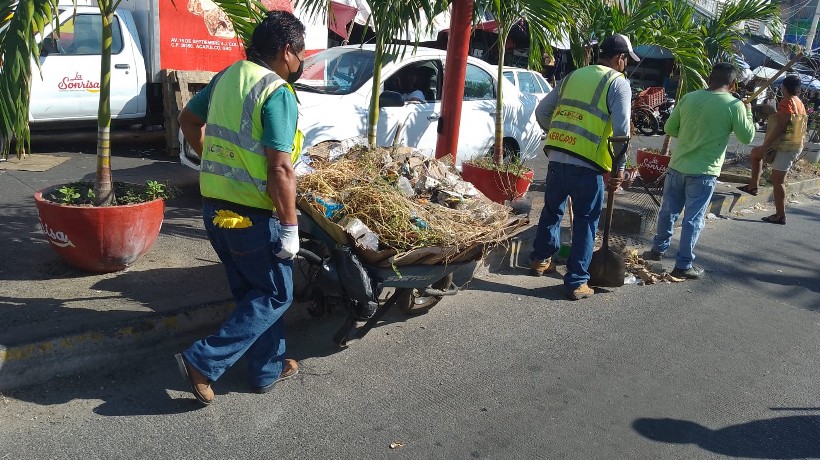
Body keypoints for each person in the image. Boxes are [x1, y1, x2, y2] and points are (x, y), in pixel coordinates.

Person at [174, 11, 306, 406]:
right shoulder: (276, 92)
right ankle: (203, 361)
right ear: (286, 51)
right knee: (276, 294)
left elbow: (187, 119)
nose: (300, 63)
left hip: (214, 208)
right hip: (253, 215)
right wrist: (290, 226)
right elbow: (280, 166)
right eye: (300, 54)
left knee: (254, 292)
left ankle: (267, 369)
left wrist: (210, 158)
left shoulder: (225, 77)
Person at [529, 34, 636, 301]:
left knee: (552, 210)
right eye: (626, 60)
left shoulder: (573, 76)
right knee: (586, 222)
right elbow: (622, 132)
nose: (626, 65)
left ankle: (541, 259)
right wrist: (619, 168)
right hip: (588, 166)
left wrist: (559, 135)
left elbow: (542, 112)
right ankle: (577, 280)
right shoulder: (618, 83)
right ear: (620, 58)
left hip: (557, 158)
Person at [643, 63, 755, 279]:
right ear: (732, 84)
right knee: (693, 219)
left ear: (709, 79)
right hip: (704, 171)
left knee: (668, 211)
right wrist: (748, 113)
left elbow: (669, 129)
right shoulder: (735, 105)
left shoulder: (689, 98)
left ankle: (657, 250)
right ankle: (683, 265)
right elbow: (747, 137)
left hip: (677, 166)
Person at [737, 74, 807, 225]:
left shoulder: (787, 102)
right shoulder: (798, 102)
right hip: (791, 145)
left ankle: (780, 215)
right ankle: (753, 186)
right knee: (755, 154)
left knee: (778, 182)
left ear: (783, 88)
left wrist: (766, 144)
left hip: (785, 146)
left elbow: (781, 126)